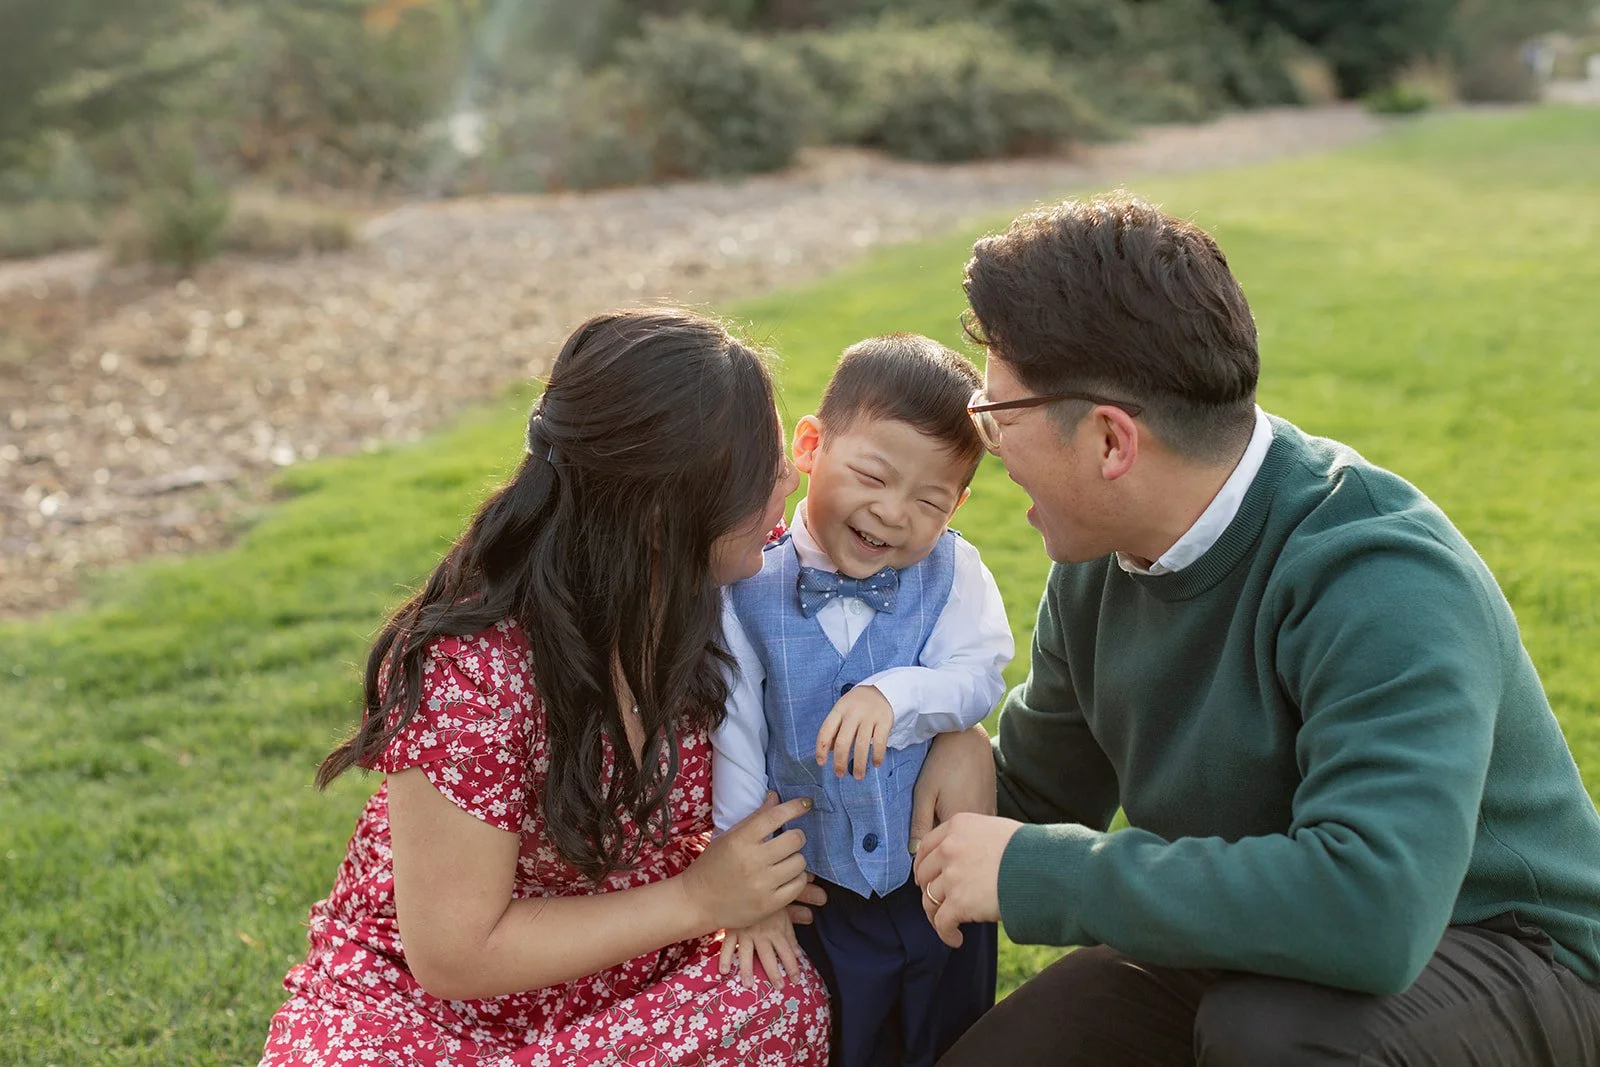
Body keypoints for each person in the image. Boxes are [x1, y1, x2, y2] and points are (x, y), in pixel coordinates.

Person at [908, 193, 1600, 1065]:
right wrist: (929, 746)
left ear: (1111, 442)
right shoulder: (1099, 560)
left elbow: (1373, 909)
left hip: (1503, 950)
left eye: (999, 416)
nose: (991, 445)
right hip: (1249, 934)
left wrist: (1048, 873)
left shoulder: (1379, 575)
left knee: (1272, 1039)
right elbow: (1036, 797)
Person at [258, 308, 832, 1066]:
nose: (788, 476)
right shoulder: (473, 669)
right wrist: (701, 898)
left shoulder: (728, 599)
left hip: (632, 986)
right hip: (425, 1016)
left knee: (781, 1002)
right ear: (664, 512)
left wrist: (953, 742)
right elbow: (454, 954)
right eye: (758, 469)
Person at [712, 335, 1013, 1067]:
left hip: (933, 872)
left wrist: (899, 691)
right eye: (873, 475)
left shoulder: (955, 570)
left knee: (953, 1034)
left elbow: (981, 674)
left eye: (930, 500)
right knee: (844, 1038)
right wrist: (748, 879)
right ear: (811, 444)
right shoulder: (747, 586)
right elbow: (735, 732)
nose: (894, 513)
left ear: (959, 503)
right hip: (821, 887)